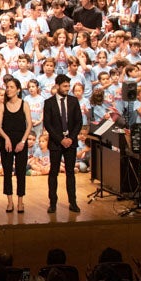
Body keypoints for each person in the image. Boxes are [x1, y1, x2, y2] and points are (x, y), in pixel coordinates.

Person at [43, 73, 83, 214]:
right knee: (53, 173)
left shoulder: (73, 101)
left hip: (71, 143)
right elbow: (48, 124)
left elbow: (79, 122)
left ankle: (73, 202)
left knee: (70, 173)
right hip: (55, 143)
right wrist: (61, 139)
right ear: (57, 86)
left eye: (68, 86)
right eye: (65, 86)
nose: (67, 89)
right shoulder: (49, 102)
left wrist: (71, 138)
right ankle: (52, 203)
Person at [0, 77, 33, 213]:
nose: (8, 89)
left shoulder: (24, 104)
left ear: (18, 89)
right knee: (7, 172)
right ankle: (10, 201)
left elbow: (29, 124)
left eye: (11, 87)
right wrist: (6, 138)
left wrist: (23, 142)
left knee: (21, 172)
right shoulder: (2, 105)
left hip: (20, 142)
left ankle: (20, 202)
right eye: (7, 87)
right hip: (6, 142)